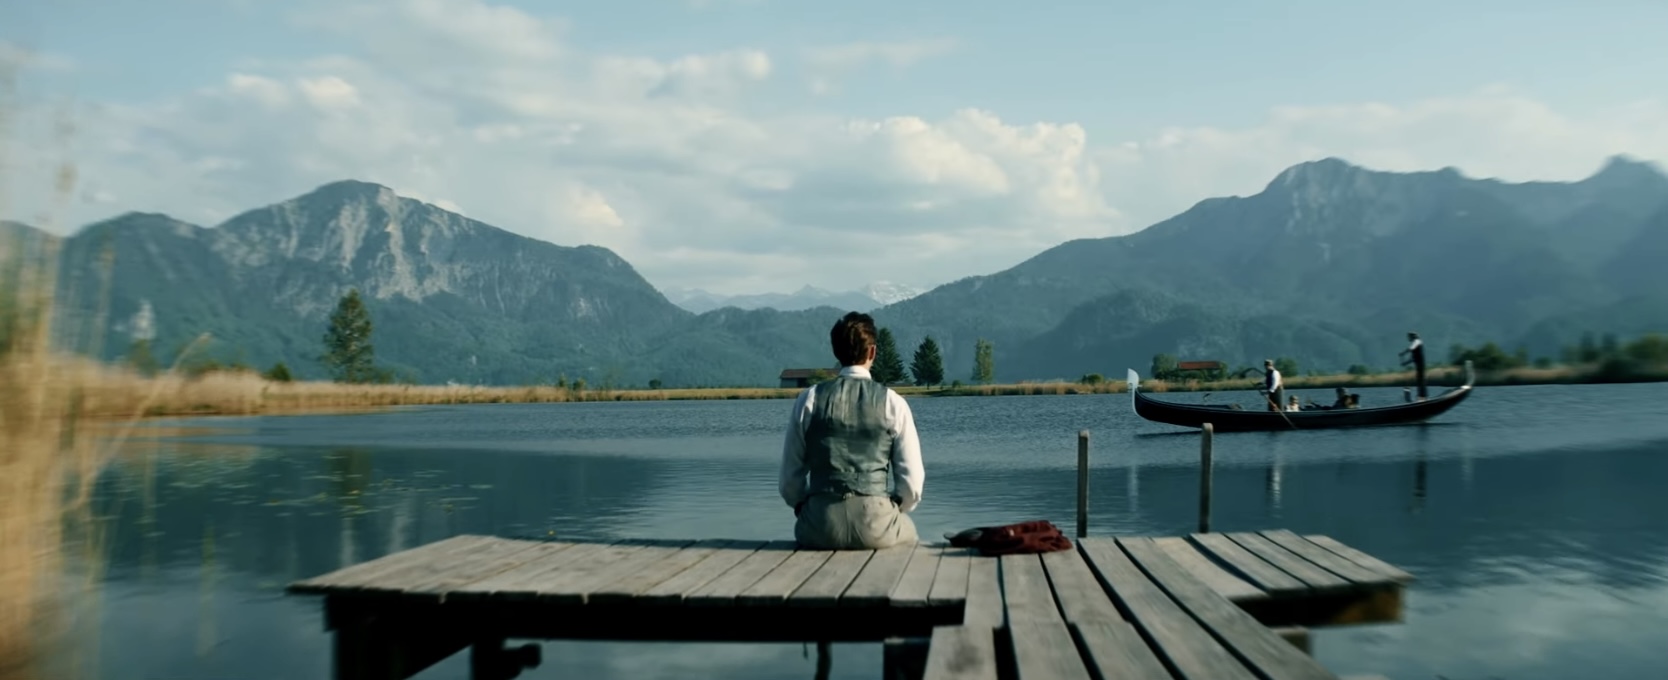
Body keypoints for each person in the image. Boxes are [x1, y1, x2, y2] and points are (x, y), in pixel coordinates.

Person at [779, 311, 923, 550]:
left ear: (836, 351)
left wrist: (804, 506)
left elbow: (789, 482)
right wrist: (894, 507)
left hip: (820, 525)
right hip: (876, 525)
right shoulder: (893, 403)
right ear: (872, 352)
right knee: (909, 532)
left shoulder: (809, 399)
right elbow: (912, 486)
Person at [1399, 332, 1427, 400]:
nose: (1408, 338)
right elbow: (1412, 358)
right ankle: (1420, 396)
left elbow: (1411, 348)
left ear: (1412, 337)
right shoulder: (1415, 345)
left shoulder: (1417, 341)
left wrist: (1403, 353)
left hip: (1420, 364)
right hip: (1418, 364)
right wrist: (1405, 363)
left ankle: (1423, 396)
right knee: (1419, 379)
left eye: (1409, 337)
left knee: (1420, 379)